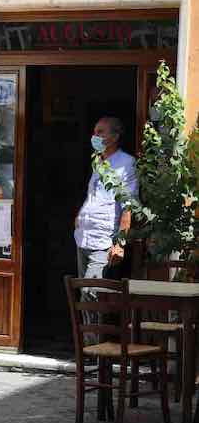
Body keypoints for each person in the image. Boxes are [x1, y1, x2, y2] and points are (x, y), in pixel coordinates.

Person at [74, 117, 138, 341]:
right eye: (94, 131)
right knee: (85, 293)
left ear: (115, 136)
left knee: (91, 291)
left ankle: (94, 348)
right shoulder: (98, 161)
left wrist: (120, 243)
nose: (95, 136)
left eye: (100, 132)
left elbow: (128, 205)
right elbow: (93, 197)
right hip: (83, 236)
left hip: (103, 239)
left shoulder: (127, 163)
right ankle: (89, 346)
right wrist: (80, 215)